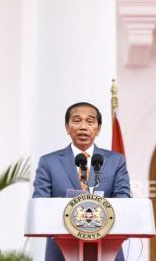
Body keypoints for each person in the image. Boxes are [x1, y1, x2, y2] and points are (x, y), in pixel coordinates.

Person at [32, 102, 131, 261]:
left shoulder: (115, 161)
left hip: (107, 250)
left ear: (98, 129)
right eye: (77, 120)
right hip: (60, 251)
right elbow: (40, 202)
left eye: (90, 121)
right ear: (66, 127)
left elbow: (124, 198)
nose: (83, 126)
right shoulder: (49, 162)